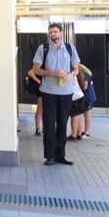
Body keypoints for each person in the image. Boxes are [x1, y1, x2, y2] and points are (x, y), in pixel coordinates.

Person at [31, 23, 80, 166]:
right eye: (51, 32)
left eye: (55, 32)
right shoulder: (43, 48)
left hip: (66, 92)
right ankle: (50, 157)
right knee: (49, 124)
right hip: (49, 92)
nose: (53, 34)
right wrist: (53, 73)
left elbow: (76, 68)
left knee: (63, 124)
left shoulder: (70, 48)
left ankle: (61, 156)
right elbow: (36, 70)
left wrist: (71, 75)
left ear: (61, 32)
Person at [27, 69, 43, 136]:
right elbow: (30, 72)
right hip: (41, 89)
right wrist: (39, 82)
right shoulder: (39, 65)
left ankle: (41, 128)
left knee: (44, 109)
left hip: (46, 88)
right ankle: (38, 128)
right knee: (40, 108)